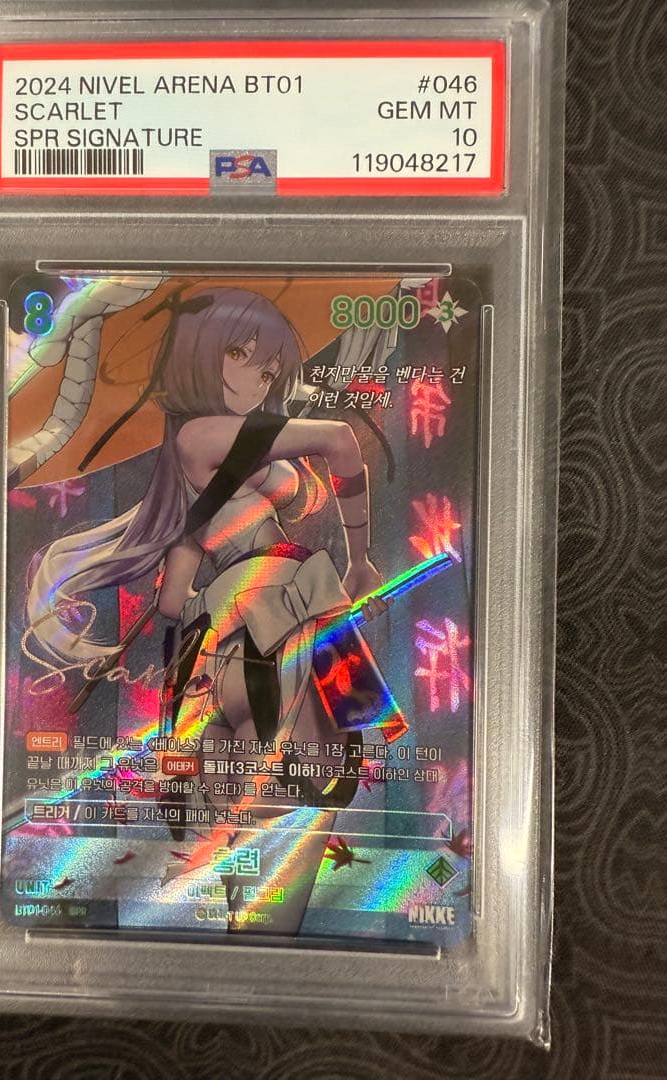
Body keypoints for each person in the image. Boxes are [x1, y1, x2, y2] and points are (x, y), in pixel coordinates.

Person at [26, 287, 400, 932]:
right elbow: (341, 440)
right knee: (303, 801)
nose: (258, 377)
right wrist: (360, 561)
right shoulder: (207, 433)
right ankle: (262, 958)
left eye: (269, 369)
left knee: (244, 826)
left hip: (216, 648)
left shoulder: (189, 465)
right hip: (278, 620)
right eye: (240, 355)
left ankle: (241, 954)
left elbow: (174, 600)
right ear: (200, 356)